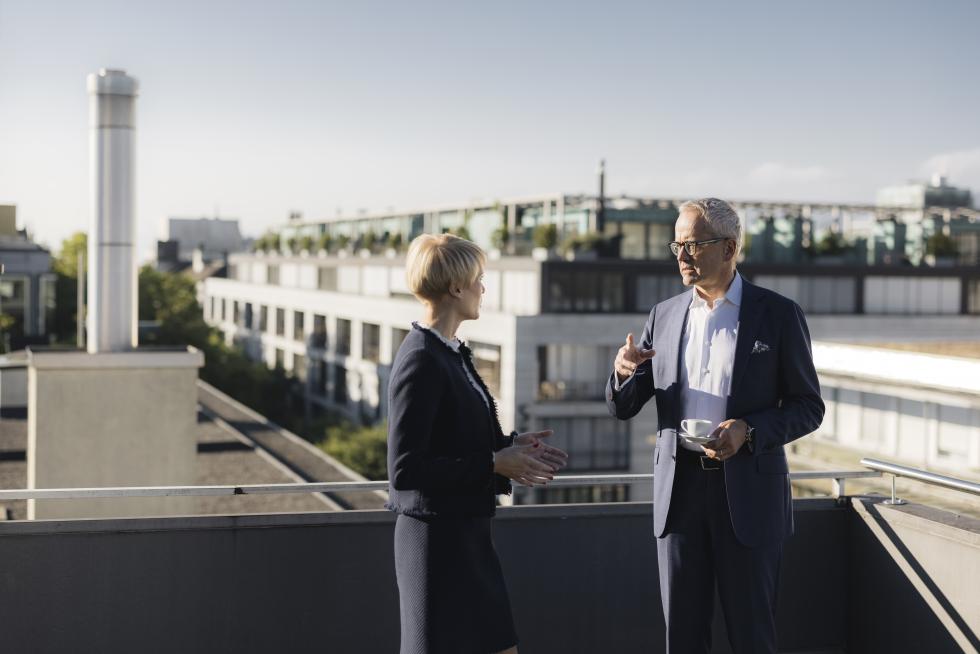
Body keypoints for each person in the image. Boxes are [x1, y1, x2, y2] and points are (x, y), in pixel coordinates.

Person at [606, 198, 824, 653]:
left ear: (729, 248)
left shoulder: (778, 314)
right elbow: (624, 406)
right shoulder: (662, 316)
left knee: (752, 636)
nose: (682, 256)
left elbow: (808, 406)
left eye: (693, 245)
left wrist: (749, 429)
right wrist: (623, 372)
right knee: (683, 637)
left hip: (749, 497)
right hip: (679, 496)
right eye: (677, 245)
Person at [387, 233, 568, 654]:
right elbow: (405, 469)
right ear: (455, 287)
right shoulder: (421, 358)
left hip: (466, 538)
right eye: (478, 279)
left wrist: (511, 446)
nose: (482, 289)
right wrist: (493, 462)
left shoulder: (448, 352)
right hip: (435, 545)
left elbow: (452, 439)